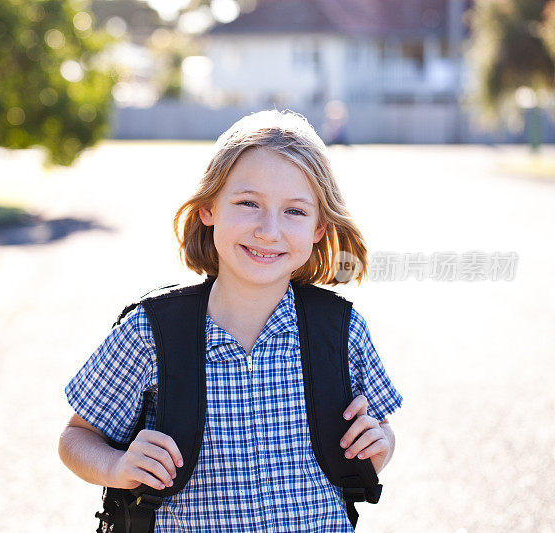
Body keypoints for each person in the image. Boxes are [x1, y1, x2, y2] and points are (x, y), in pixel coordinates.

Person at [58, 109, 403, 531]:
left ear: (319, 227)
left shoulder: (342, 331)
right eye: (248, 203)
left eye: (295, 211)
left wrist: (378, 445)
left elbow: (381, 432)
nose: (268, 230)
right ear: (208, 208)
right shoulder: (151, 334)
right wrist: (117, 467)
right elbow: (76, 438)